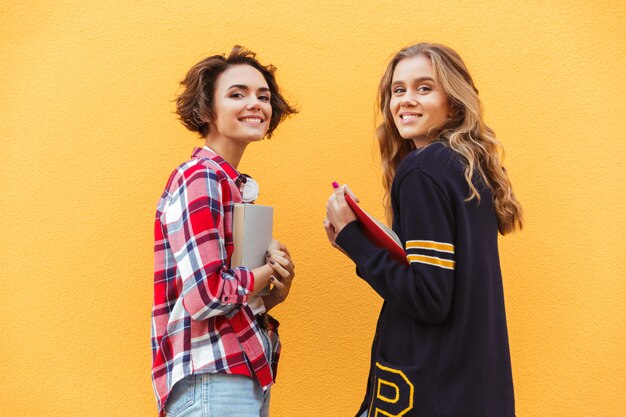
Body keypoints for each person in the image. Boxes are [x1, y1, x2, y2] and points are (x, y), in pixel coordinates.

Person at [324, 43, 523, 417]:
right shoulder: (465, 168)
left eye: (424, 88)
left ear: (454, 101)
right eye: (398, 90)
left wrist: (354, 241)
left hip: (430, 392)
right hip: (475, 392)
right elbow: (442, 279)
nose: (406, 100)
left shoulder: (422, 171)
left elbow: (429, 297)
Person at [152, 46, 297, 417]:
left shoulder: (229, 185)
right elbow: (205, 296)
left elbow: (224, 297)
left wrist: (272, 287)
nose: (256, 104)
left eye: (263, 96)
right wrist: (262, 273)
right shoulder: (200, 177)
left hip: (238, 373)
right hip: (213, 380)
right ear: (206, 111)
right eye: (237, 94)